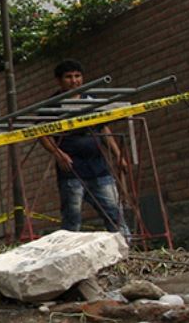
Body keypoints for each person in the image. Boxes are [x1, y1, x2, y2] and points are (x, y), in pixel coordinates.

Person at [43, 60, 130, 237]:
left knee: (114, 213)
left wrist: (118, 155)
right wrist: (59, 154)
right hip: (72, 170)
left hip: (99, 168)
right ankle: (68, 254)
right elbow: (41, 133)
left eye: (77, 76)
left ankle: (127, 248)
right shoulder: (52, 105)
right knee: (72, 218)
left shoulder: (91, 101)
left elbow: (103, 128)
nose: (74, 81)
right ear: (59, 80)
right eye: (69, 77)